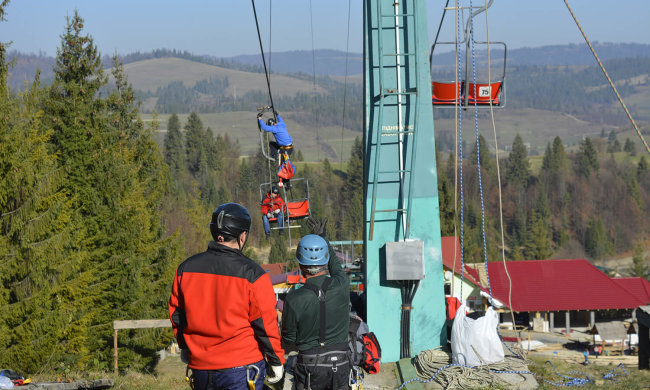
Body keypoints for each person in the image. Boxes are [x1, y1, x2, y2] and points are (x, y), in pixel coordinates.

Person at [169, 203, 285, 390]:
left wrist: (184, 345)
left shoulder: (185, 269)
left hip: (201, 367)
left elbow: (177, 314)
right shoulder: (253, 274)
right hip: (242, 367)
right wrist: (276, 359)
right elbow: (266, 324)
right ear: (242, 236)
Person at [281, 218, 351, 390]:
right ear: (325, 260)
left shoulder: (294, 299)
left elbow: (288, 340)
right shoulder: (342, 285)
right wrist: (323, 239)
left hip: (309, 368)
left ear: (300, 262)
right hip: (340, 363)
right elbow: (335, 266)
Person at [257, 112, 294, 188]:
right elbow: (280, 119)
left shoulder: (275, 128)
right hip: (287, 147)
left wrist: (259, 119)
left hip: (285, 149)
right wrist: (277, 115)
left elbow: (264, 127)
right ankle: (275, 155)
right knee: (272, 143)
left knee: (284, 165)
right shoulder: (282, 124)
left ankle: (287, 183)